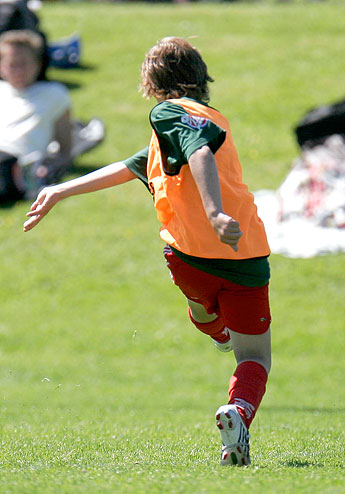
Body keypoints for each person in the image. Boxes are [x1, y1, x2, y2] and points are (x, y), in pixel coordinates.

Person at [24, 37, 271, 466]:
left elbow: (195, 154)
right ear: (200, 77)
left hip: (188, 261)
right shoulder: (197, 118)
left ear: (152, 82)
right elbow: (133, 166)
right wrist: (59, 190)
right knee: (255, 357)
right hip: (242, 256)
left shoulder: (168, 113)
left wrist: (211, 213)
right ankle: (239, 410)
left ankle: (215, 330)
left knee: (210, 316)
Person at [0, 28, 71, 204]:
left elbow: (65, 148)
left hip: (19, 163)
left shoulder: (54, 94)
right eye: (12, 64)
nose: (18, 71)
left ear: (37, 64)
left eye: (23, 64)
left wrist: (51, 167)